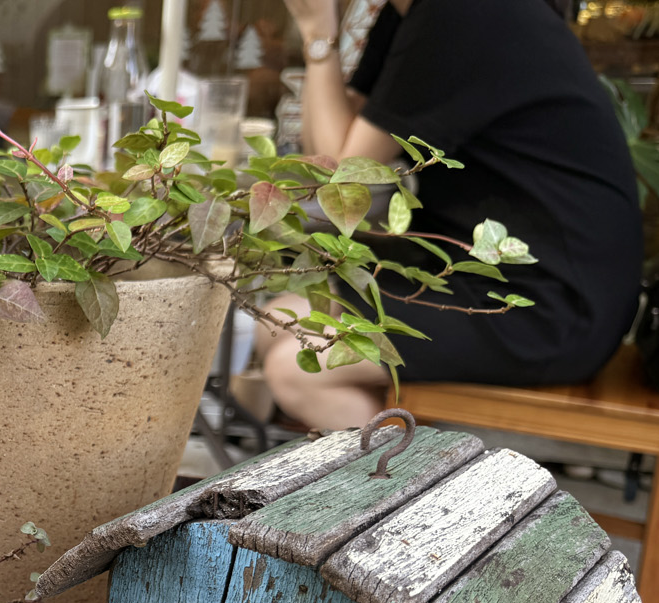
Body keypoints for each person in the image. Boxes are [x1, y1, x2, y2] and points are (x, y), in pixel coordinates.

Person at [256, 0, 642, 430]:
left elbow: (344, 181)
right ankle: (407, 468)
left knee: (296, 370)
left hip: (550, 306)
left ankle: (410, 491)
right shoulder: (408, 15)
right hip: (480, 278)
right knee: (278, 321)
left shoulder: (463, 12)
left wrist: (317, 37)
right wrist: (319, 39)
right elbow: (329, 163)